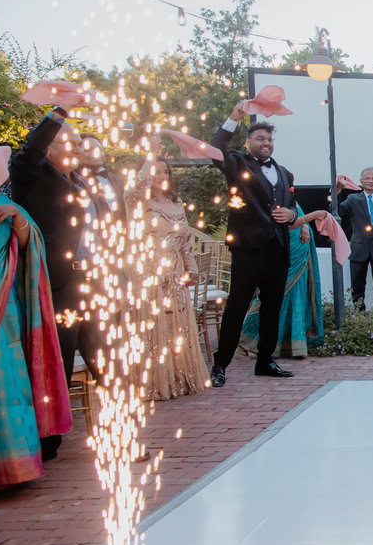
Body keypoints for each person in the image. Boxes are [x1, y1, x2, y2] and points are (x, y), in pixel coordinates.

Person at [0, 139, 72, 491]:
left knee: (5, 380)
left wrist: (17, 218)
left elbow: (32, 250)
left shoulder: (3, 205)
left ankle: (10, 469)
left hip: (2, 312)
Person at [9, 107, 95, 459]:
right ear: (50, 146)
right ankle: (46, 438)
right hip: (56, 282)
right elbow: (30, 151)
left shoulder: (81, 180)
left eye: (79, 143)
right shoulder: (32, 172)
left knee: (102, 352)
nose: (77, 149)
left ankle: (122, 426)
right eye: (69, 142)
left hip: (90, 279)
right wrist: (57, 115)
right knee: (57, 355)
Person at [208, 106, 299, 386]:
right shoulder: (237, 163)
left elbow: (291, 205)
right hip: (248, 249)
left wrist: (291, 215)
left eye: (269, 139)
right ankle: (220, 364)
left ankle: (265, 361)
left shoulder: (285, 173)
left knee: (273, 307)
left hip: (277, 249)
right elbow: (216, 148)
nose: (266, 143)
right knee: (237, 306)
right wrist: (232, 117)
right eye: (260, 138)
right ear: (249, 142)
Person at [125, 157, 209, 400]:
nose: (161, 176)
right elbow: (137, 186)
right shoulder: (138, 201)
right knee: (154, 323)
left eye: (164, 172)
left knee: (177, 323)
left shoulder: (176, 202)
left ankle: (179, 379)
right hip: (148, 271)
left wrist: (190, 267)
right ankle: (153, 383)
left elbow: (184, 242)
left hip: (174, 272)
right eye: (155, 172)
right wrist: (150, 154)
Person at [241, 210, 329, 359]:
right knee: (271, 297)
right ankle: (244, 340)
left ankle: (289, 346)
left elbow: (295, 212)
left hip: (299, 247)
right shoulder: (272, 194)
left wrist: (305, 225)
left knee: (295, 296)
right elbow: (285, 224)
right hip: (284, 249)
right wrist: (313, 216)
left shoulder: (287, 191)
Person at [339, 167, 373, 307]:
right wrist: (336, 193)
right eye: (367, 178)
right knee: (357, 288)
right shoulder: (352, 199)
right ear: (361, 181)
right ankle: (360, 319)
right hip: (359, 250)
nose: (370, 181)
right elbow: (338, 211)